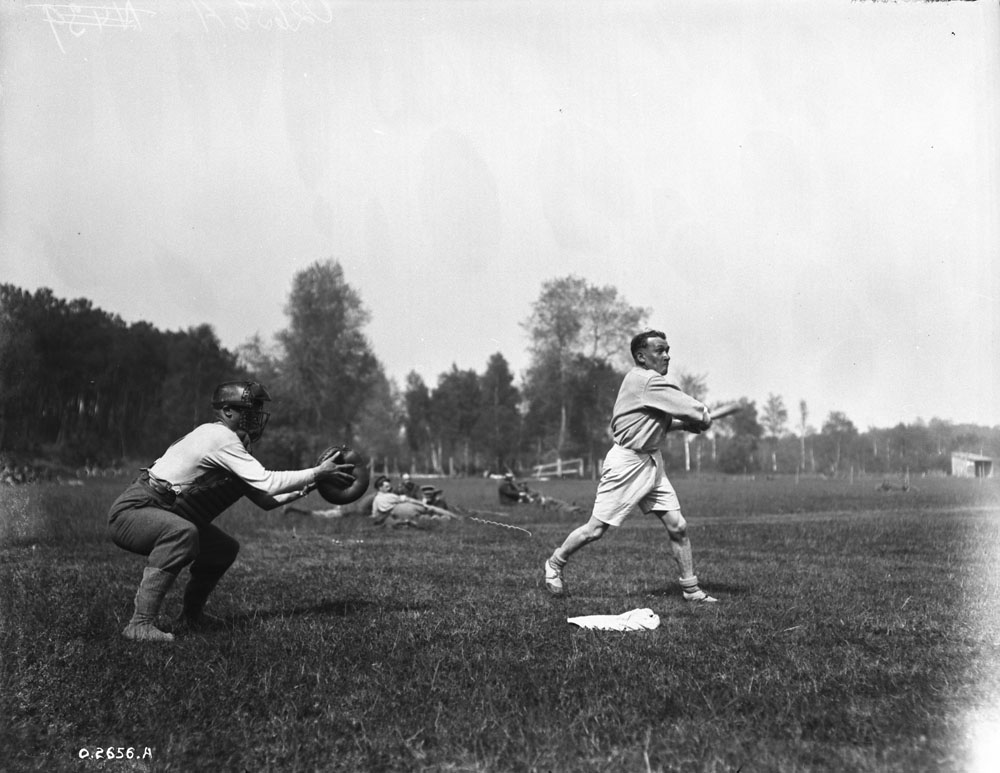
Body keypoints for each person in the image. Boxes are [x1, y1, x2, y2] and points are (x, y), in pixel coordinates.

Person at [107, 381, 357, 642]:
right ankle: (140, 624)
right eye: (249, 411)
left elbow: (266, 499)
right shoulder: (220, 438)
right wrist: (317, 472)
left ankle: (191, 617)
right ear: (227, 411)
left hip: (162, 509)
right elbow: (267, 482)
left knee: (222, 548)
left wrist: (312, 484)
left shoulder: (232, 444)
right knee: (182, 533)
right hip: (135, 510)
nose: (256, 418)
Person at [543, 330, 718, 603]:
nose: (667, 355)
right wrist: (701, 418)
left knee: (678, 526)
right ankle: (555, 563)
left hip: (651, 461)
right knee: (595, 530)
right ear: (641, 356)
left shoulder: (644, 383)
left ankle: (691, 589)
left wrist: (686, 425)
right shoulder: (647, 381)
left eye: (667, 349)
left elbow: (649, 423)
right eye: (659, 350)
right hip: (626, 463)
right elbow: (694, 409)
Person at [370, 475, 453, 529]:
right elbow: (408, 499)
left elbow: (375, 514)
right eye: (387, 487)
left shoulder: (376, 499)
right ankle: (446, 518)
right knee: (430, 510)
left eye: (389, 486)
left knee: (426, 513)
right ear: (380, 488)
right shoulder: (390, 496)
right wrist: (422, 504)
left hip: (399, 512)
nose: (389, 488)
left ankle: (439, 517)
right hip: (407, 509)